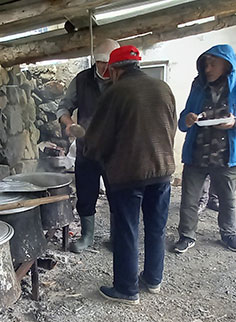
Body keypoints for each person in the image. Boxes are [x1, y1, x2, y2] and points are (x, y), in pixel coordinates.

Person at [84, 45, 177, 305]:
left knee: (127, 230)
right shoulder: (163, 88)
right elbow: (171, 128)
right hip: (162, 171)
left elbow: (98, 137)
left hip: (129, 173)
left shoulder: (116, 93)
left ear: (114, 70)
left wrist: (91, 152)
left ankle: (126, 289)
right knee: (156, 228)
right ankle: (153, 279)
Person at [174, 44, 236, 254]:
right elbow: (183, 121)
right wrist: (187, 119)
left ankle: (229, 234)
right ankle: (186, 236)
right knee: (189, 199)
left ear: (226, 64)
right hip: (196, 154)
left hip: (227, 156)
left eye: (212, 63)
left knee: (227, 199)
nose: (207, 68)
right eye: (205, 64)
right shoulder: (198, 88)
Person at [57, 38, 121, 253]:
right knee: (86, 193)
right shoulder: (82, 79)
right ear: (95, 60)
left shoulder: (122, 79)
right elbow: (63, 107)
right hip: (86, 148)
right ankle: (87, 236)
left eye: (110, 63)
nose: (106, 68)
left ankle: (117, 236)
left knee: (117, 194)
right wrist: (69, 124)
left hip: (115, 151)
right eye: (101, 62)